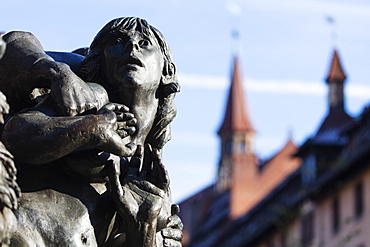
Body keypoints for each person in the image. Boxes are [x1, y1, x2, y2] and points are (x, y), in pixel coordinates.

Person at [1, 17, 182, 246]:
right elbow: (16, 134)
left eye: (145, 43)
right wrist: (93, 128)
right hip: (21, 234)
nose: (132, 47)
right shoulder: (89, 98)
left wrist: (143, 227)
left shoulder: (152, 169)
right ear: (98, 61)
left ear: (166, 70)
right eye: (118, 41)